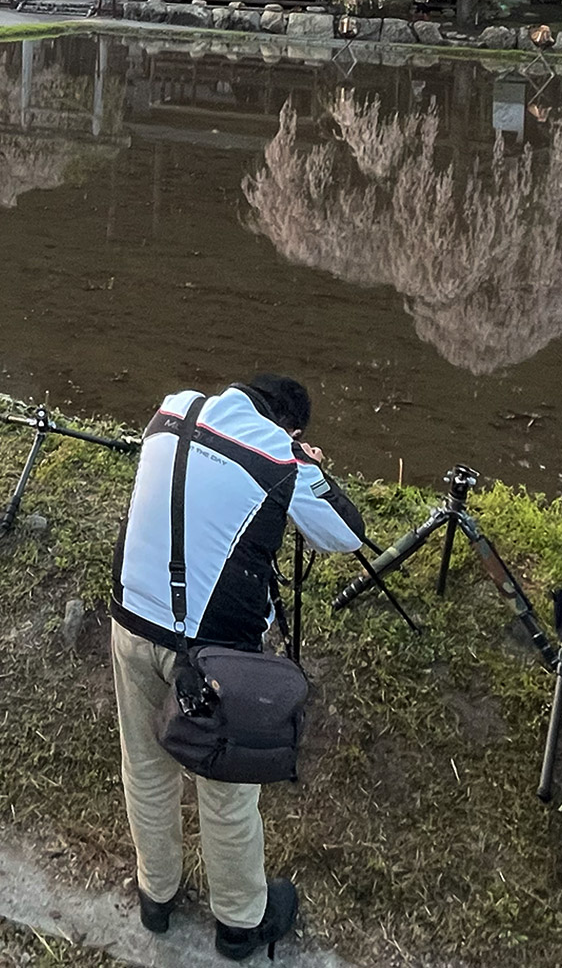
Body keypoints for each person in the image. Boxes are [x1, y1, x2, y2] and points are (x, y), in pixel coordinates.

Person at [110, 375, 363, 960]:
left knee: (145, 766)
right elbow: (345, 534)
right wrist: (307, 463)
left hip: (130, 618)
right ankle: (241, 923)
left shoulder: (171, 408)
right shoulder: (281, 454)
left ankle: (157, 896)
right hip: (213, 654)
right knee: (226, 793)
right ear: (292, 428)